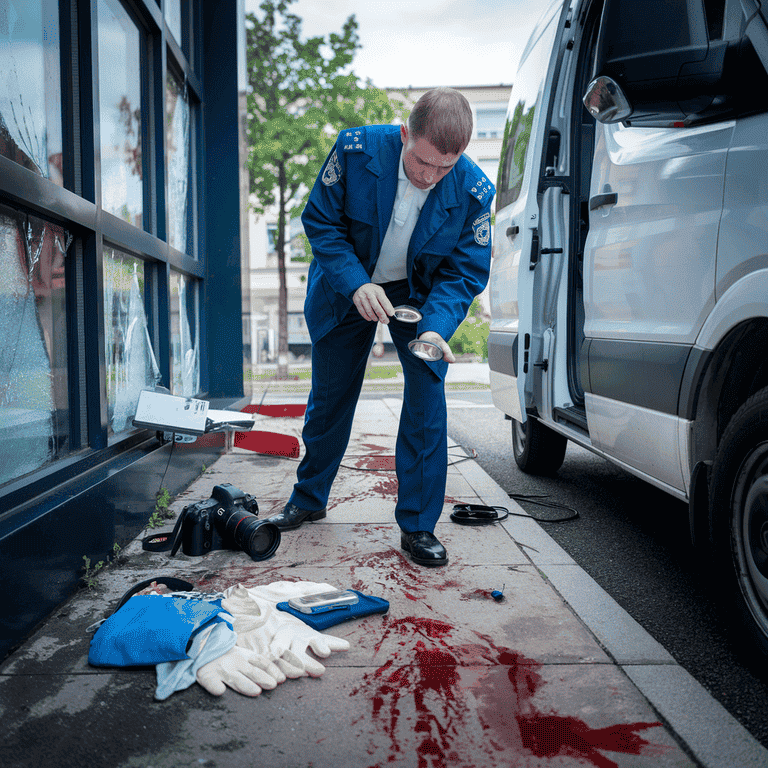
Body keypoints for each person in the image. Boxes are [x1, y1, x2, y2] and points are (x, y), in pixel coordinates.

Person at [267, 88, 495, 566]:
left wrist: (435, 329)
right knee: (330, 396)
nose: (430, 177)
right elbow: (321, 224)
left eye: (444, 168)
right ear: (405, 133)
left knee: (427, 400)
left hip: (418, 296)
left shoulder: (474, 190)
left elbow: (464, 273)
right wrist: (355, 283)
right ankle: (309, 497)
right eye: (423, 162)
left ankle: (418, 525)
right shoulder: (355, 150)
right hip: (346, 282)